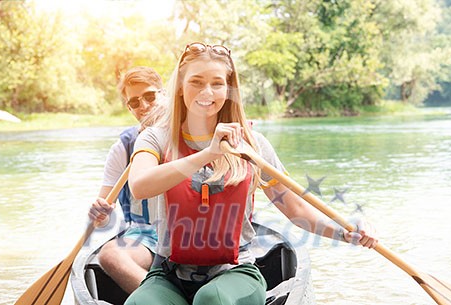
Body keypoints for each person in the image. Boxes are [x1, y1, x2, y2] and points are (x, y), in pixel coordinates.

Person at [125, 43, 378, 305]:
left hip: (235, 271)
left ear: (229, 89)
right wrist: (209, 153)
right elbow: (140, 186)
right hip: (168, 273)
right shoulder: (154, 138)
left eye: (217, 83)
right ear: (180, 86)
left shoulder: (252, 145)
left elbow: (297, 209)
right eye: (196, 82)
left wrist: (344, 232)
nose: (207, 92)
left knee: (212, 299)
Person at [87, 66, 165, 294]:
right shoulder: (123, 148)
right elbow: (100, 220)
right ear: (129, 107)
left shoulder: (189, 134)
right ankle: (160, 298)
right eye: (134, 102)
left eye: (150, 96)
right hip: (146, 235)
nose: (144, 106)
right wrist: (99, 213)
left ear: (164, 94)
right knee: (110, 255)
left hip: (189, 232)